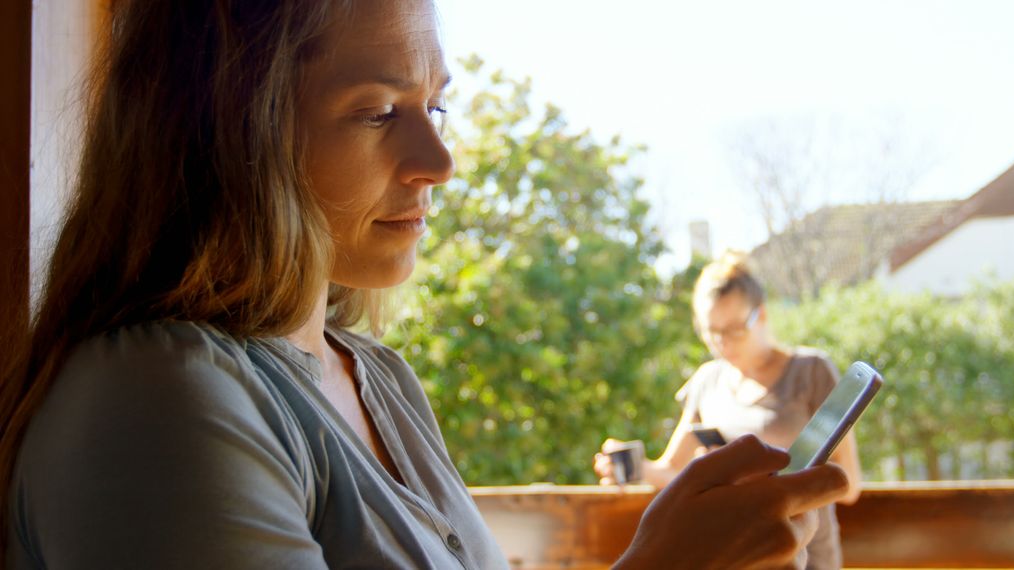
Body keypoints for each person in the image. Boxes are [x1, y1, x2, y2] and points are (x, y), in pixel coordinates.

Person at [0, 1, 848, 568]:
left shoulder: (379, 379)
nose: (440, 163)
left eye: (434, 107)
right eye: (378, 112)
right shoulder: (153, 402)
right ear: (225, 133)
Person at [594, 251, 863, 569]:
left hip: (806, 554)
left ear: (760, 315)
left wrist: (773, 480)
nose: (724, 344)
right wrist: (633, 468)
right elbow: (673, 474)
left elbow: (849, 484)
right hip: (734, 557)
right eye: (712, 332)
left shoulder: (811, 371)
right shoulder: (707, 381)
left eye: (735, 329)